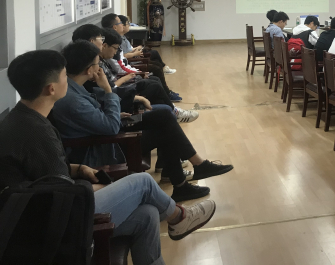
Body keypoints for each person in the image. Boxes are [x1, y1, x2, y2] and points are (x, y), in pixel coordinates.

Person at [0, 50, 216, 265]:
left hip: (50, 209)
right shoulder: (37, 133)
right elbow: (63, 194)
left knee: (148, 214)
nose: (69, 81)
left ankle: (174, 223)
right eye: (65, 76)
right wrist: (101, 188)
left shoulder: (23, 119)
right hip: (56, 224)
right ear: (51, 88)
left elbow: (47, 174)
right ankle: (180, 217)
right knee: (142, 182)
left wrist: (78, 168)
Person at [50, 40, 234, 202]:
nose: (100, 69)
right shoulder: (72, 100)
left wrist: (115, 112)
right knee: (165, 129)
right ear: (89, 70)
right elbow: (110, 127)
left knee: (163, 115)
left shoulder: (74, 88)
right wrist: (107, 90)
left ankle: (191, 173)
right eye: (97, 64)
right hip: (106, 147)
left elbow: (96, 116)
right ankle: (188, 177)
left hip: (108, 130)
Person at [72, 24, 197, 122]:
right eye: (101, 39)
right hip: (116, 97)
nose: (103, 43)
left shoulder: (97, 60)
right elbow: (106, 94)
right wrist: (134, 94)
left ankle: (172, 110)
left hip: (115, 95)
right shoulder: (89, 67)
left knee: (156, 87)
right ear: (92, 42)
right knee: (156, 91)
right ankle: (173, 111)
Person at [101, 14, 183, 102]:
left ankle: (167, 98)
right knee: (155, 73)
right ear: (115, 27)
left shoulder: (118, 40)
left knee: (155, 70)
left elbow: (123, 61)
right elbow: (121, 68)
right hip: (127, 75)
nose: (123, 25)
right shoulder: (111, 47)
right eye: (121, 23)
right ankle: (168, 98)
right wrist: (140, 72)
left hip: (128, 72)